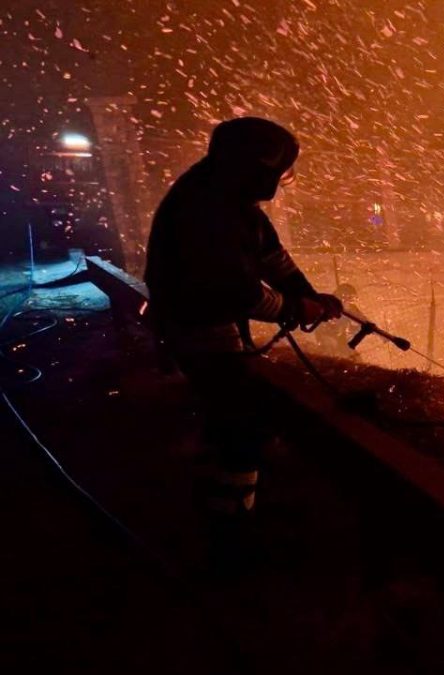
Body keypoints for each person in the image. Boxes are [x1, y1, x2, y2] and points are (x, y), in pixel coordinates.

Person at [145, 117, 341, 559]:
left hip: (206, 320)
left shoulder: (224, 193)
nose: (280, 182)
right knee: (239, 422)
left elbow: (270, 253)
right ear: (257, 170)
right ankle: (229, 534)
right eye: (278, 173)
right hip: (198, 328)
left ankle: (225, 497)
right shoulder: (205, 212)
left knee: (232, 414)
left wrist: (307, 293)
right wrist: (295, 310)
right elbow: (239, 291)